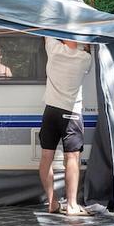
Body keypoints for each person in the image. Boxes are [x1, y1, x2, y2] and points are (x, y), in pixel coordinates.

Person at [39, 37, 92, 216]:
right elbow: (88, 48)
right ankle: (71, 205)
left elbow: (47, 33)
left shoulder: (54, 50)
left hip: (50, 110)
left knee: (46, 156)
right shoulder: (84, 59)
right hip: (71, 112)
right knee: (72, 159)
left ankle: (52, 202)